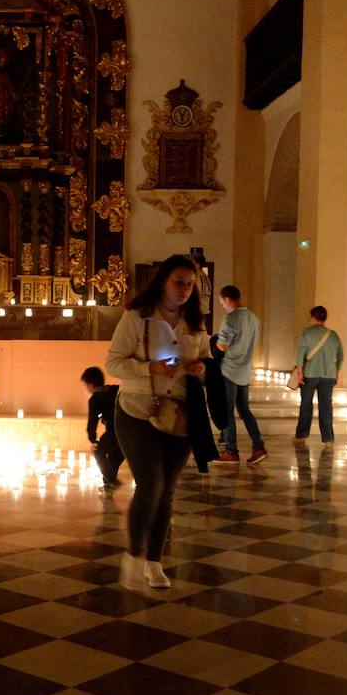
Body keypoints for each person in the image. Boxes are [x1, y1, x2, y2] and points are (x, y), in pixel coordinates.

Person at [105, 254, 212, 593]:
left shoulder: (195, 322)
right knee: (150, 483)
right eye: (178, 282)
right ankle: (134, 555)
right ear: (163, 281)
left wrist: (201, 369)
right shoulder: (137, 317)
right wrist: (147, 368)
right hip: (137, 410)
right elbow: (113, 363)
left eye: (189, 284)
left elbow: (208, 361)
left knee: (166, 490)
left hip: (179, 415)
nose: (183, 289)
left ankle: (154, 561)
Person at [214, 284, 267, 465]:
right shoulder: (253, 318)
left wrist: (213, 342)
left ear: (228, 300)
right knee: (245, 411)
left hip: (229, 370)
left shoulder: (230, 319)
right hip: (245, 371)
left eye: (222, 303)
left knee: (227, 412)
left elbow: (222, 346)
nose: (222, 306)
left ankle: (231, 451)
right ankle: (258, 447)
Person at [292, 305, 344, 445]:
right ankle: (328, 439)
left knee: (306, 404)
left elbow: (300, 354)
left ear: (313, 317)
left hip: (309, 374)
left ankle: (301, 436)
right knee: (326, 406)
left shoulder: (306, 333)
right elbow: (340, 355)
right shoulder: (333, 335)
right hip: (328, 375)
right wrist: (336, 372)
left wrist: (300, 371)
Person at [80, 366, 124, 496]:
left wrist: (93, 439)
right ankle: (109, 484)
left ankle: (111, 481)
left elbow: (92, 421)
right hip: (127, 430)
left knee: (99, 454)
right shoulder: (115, 389)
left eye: (85, 386)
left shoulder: (95, 398)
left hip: (114, 430)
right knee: (114, 457)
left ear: (91, 385)